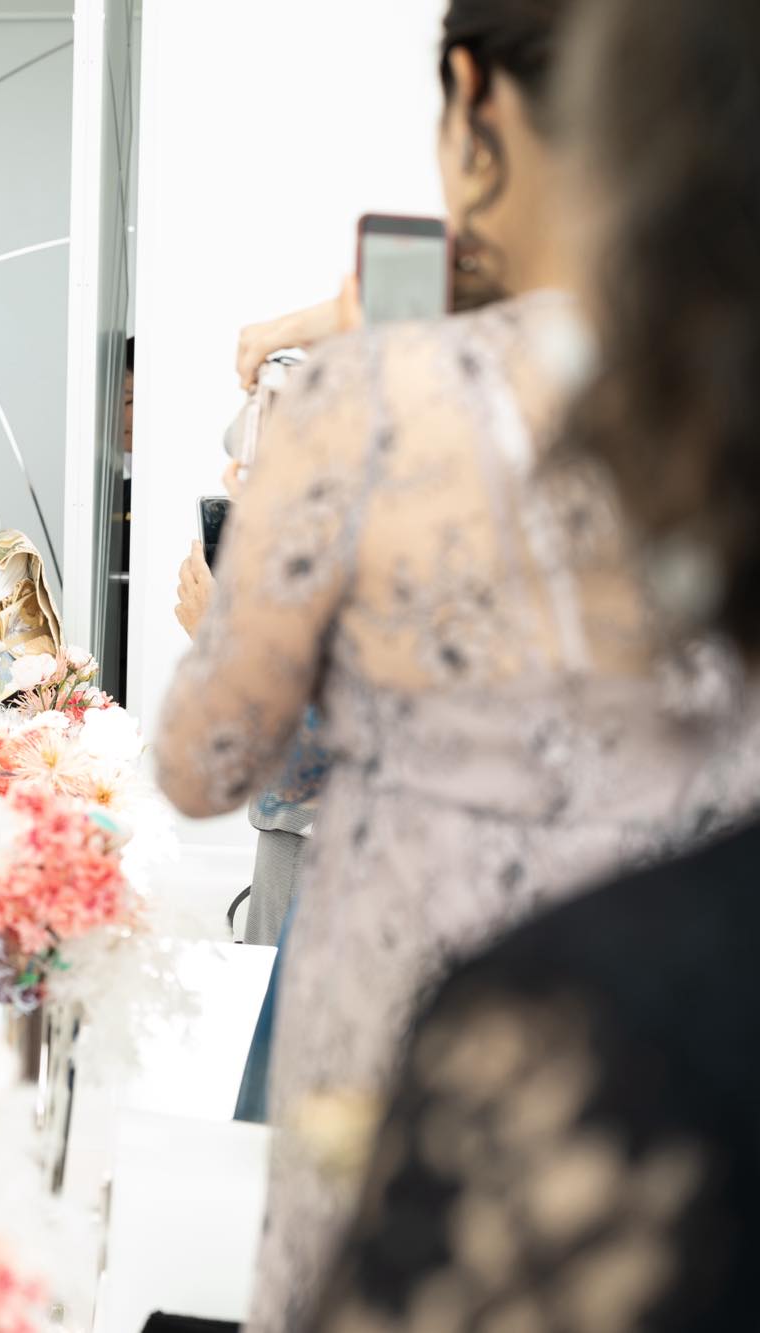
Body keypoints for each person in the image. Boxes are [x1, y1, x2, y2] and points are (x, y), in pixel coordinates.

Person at [152, 1, 759, 1326]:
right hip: (709, 1002)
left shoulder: (367, 399)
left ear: (474, 94)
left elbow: (205, 761)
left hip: (422, 991)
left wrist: (239, 615)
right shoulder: (717, 383)